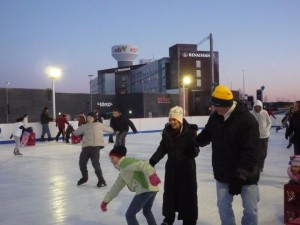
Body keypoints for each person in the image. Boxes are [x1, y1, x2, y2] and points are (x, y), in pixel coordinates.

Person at [195, 85, 260, 225]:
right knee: (223, 207)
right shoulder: (215, 118)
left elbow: (252, 151)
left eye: (217, 106)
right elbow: (207, 134)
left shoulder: (247, 121)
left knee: (251, 210)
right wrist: (194, 143)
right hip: (223, 172)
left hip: (246, 175)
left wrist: (240, 176)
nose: (214, 108)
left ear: (227, 105)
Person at [149, 106, 200, 225]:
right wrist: (152, 161)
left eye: (175, 120)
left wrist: (193, 151)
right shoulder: (167, 132)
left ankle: (189, 219)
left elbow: (196, 148)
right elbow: (162, 149)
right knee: (170, 194)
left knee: (188, 194)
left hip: (187, 169)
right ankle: (168, 218)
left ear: (180, 119)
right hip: (172, 168)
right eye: (170, 119)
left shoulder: (190, 132)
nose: (172, 122)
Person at [101, 145, 161, 225]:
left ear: (119, 157)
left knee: (130, 215)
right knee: (147, 211)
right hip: (152, 189)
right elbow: (116, 187)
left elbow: (144, 165)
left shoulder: (126, 162)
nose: (111, 161)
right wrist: (106, 200)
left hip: (144, 189)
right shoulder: (123, 171)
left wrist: (152, 175)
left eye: (113, 158)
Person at [73, 112, 114, 187]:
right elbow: (76, 133)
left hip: (95, 147)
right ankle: (85, 177)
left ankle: (101, 180)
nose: (89, 118)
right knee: (82, 163)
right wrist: (72, 130)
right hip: (86, 147)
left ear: (94, 118)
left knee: (95, 164)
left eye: (91, 117)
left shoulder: (99, 124)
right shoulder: (84, 126)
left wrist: (114, 129)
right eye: (88, 117)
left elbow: (110, 130)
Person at [251, 100, 272, 172]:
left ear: (261, 107)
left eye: (259, 107)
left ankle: (260, 166)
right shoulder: (252, 114)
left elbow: (269, 122)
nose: (257, 108)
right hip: (255, 137)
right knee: (255, 152)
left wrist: (266, 129)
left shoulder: (265, 113)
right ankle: (255, 166)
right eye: (256, 107)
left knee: (263, 153)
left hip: (264, 136)